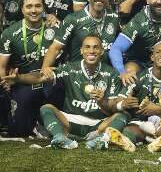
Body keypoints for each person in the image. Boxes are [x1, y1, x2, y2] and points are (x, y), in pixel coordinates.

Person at [1, 35, 136, 151]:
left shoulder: (111, 73)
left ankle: (102, 139)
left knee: (123, 114)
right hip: (70, 122)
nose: (91, 51)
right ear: (81, 50)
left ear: (102, 51)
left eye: (96, 47)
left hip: (98, 125)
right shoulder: (70, 69)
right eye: (87, 47)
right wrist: (19, 78)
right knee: (46, 108)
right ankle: (60, 137)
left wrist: (102, 101)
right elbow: (40, 77)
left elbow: (112, 107)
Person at [0, 0, 57, 136]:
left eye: (38, 6)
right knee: (17, 131)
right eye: (29, 6)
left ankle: (47, 123)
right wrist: (5, 83)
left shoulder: (55, 29)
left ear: (44, 8)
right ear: (22, 9)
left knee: (53, 90)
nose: (33, 10)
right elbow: (2, 66)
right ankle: (31, 123)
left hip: (48, 80)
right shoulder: (10, 33)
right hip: (22, 83)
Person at [42, 0, 119, 71]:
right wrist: (44, 70)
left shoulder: (114, 17)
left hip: (105, 76)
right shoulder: (73, 19)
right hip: (77, 76)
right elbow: (55, 48)